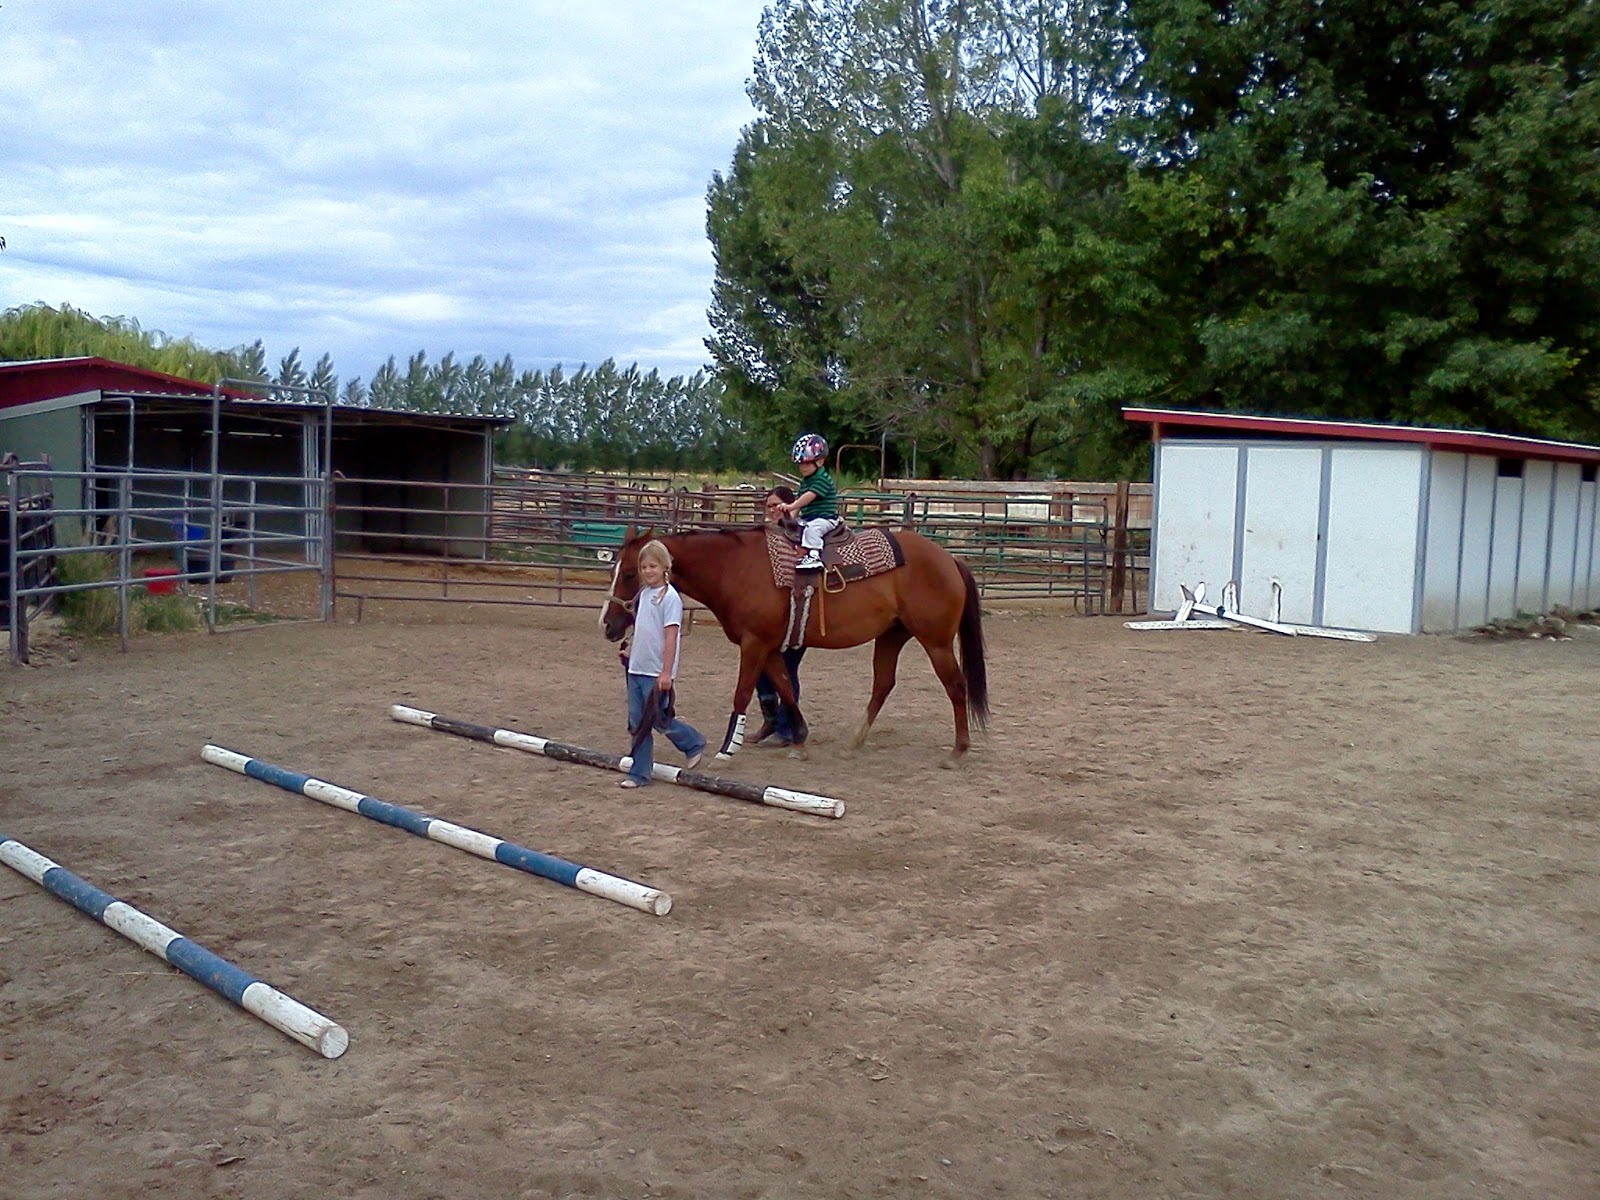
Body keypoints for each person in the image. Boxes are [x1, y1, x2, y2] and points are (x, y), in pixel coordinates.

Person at [620, 539, 705, 788]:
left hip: (655, 670)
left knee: (658, 719)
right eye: (644, 567)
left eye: (653, 566)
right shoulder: (643, 595)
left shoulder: (670, 599)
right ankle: (639, 772)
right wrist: (630, 649)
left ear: (664, 567)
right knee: (637, 722)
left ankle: (692, 742)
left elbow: (670, 636)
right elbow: (642, 627)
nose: (648, 571)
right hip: (636, 667)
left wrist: (666, 672)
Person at [755, 486, 806, 746]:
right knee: (760, 668)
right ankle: (772, 720)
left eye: (776, 505)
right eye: (769, 506)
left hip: (796, 616)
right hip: (770, 617)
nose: (772, 510)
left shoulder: (801, 534)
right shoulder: (766, 536)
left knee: (786, 669)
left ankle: (786, 728)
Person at [783, 432, 842, 572]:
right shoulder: (806, 481)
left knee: (813, 529)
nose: (802, 467)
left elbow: (808, 497)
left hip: (824, 518)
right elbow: (800, 499)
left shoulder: (822, 479)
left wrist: (791, 506)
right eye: (800, 464)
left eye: (807, 463)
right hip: (809, 517)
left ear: (819, 462)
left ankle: (814, 556)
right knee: (796, 529)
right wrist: (790, 518)